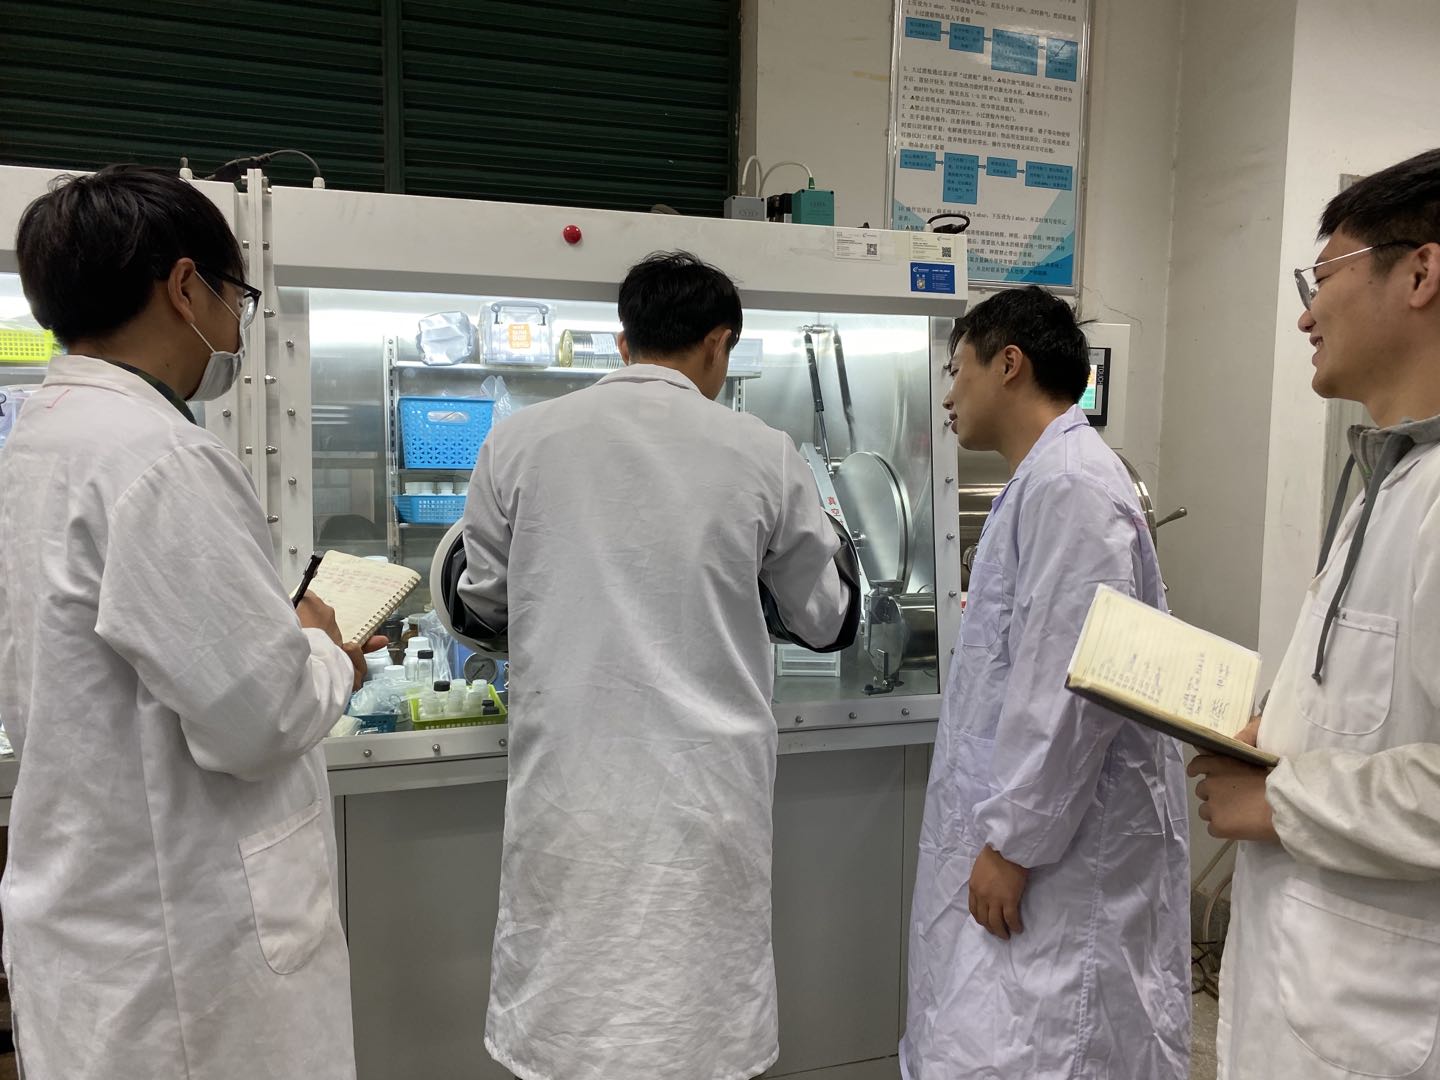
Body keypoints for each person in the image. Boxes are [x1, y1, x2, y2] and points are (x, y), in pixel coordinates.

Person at [430, 250, 861, 1080]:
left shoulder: (517, 443)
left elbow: (480, 603)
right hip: (705, 801)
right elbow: (827, 617)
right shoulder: (764, 453)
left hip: (573, 796)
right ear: (719, 343)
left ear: (623, 342)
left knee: (570, 1022)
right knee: (696, 1022)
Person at [0, 166, 375, 1080]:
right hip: (187, 953)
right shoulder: (158, 459)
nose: (238, 329)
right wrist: (324, 646)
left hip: (98, 920)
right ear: (184, 288)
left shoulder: (40, 440)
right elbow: (261, 717)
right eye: (236, 298)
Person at [1192, 148, 1440, 1080]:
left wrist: (1282, 797)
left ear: (1421, 272)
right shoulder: (1394, 477)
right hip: (1313, 994)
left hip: (1379, 1017)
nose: (1305, 313)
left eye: (1323, 276)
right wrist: (1281, 736)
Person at [901, 287, 1190, 1080]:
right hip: (1035, 837)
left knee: (1049, 1039)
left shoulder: (1070, 486)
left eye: (957, 370)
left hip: (1056, 855)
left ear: (1009, 364)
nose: (950, 396)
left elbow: (1069, 689)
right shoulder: (1047, 479)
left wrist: (1014, 843)